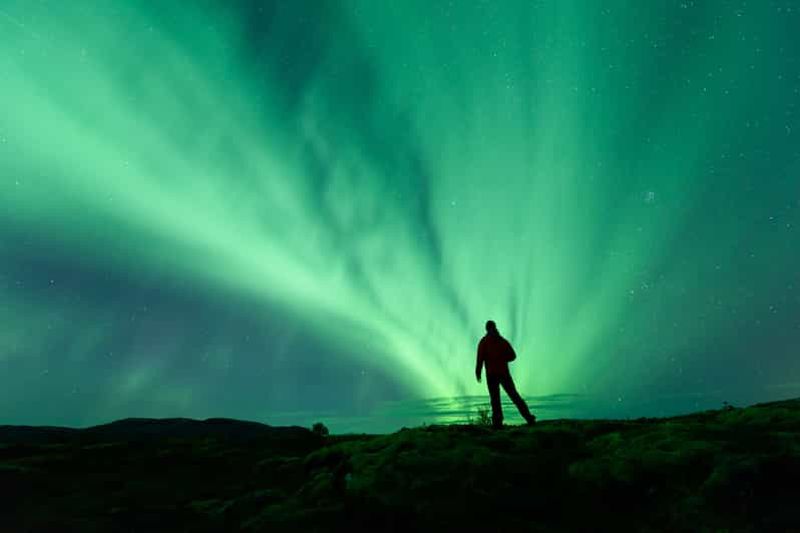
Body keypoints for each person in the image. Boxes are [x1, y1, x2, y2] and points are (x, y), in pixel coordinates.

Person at [475, 320, 536, 428]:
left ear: (488, 328)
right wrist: (479, 371)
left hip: (496, 375)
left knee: (498, 399)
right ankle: (527, 418)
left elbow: (480, 358)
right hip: (500, 374)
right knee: (509, 397)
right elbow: (512, 356)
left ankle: (499, 423)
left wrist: (478, 372)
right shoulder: (500, 341)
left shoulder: (487, 341)